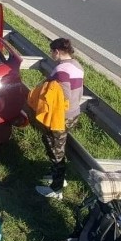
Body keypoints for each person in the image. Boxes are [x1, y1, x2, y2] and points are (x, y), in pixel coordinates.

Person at [32, 38, 85, 199]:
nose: (51, 55)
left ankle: (57, 188)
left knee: (55, 150)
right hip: (74, 113)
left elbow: (64, 95)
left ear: (57, 51)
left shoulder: (61, 71)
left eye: (51, 51)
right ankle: (56, 176)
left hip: (60, 117)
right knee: (58, 146)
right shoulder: (77, 65)